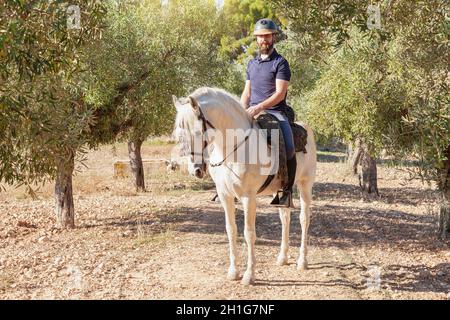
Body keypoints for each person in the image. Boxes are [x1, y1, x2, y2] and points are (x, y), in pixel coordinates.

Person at [241, 18, 296, 208]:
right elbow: (247, 92)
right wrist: (242, 109)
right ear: (256, 39)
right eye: (260, 37)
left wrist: (259, 107)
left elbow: (280, 93)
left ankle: (286, 191)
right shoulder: (251, 64)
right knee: (230, 136)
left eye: (267, 36)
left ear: (273, 37)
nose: (263, 40)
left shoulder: (281, 63)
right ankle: (227, 186)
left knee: (288, 146)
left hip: (276, 112)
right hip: (253, 111)